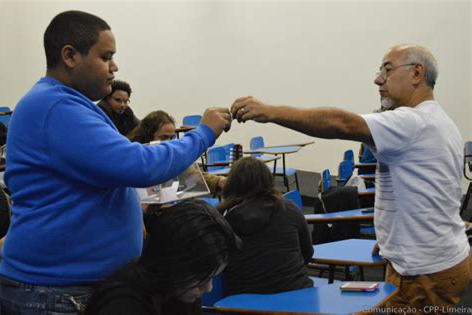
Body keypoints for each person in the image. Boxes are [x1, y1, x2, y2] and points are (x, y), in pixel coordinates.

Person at [0, 10, 231, 314]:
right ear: (70, 55)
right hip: (53, 293)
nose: (114, 67)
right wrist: (203, 133)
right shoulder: (56, 107)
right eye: (105, 56)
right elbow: (139, 165)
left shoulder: (68, 106)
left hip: (66, 288)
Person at [230, 44, 470, 310]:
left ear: (417, 73)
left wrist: (270, 112)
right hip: (433, 261)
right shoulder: (441, 123)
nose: (378, 79)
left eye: (387, 70)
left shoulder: (413, 123)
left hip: (424, 275)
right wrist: (394, 239)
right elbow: (431, 194)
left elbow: (341, 123)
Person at [85, 199, 240, 315]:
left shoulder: (179, 293)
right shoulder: (121, 306)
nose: (208, 288)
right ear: (174, 261)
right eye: (203, 278)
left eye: (211, 278)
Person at [218, 157, 313, 295]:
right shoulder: (289, 208)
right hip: (297, 297)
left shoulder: (224, 222)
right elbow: (307, 253)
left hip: (245, 305)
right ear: (268, 181)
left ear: (231, 185)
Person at [128, 110, 226, 194]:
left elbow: (189, 174)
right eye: (164, 137)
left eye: (172, 138)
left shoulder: (171, 158)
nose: (169, 143)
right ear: (148, 135)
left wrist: (219, 181)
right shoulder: (134, 157)